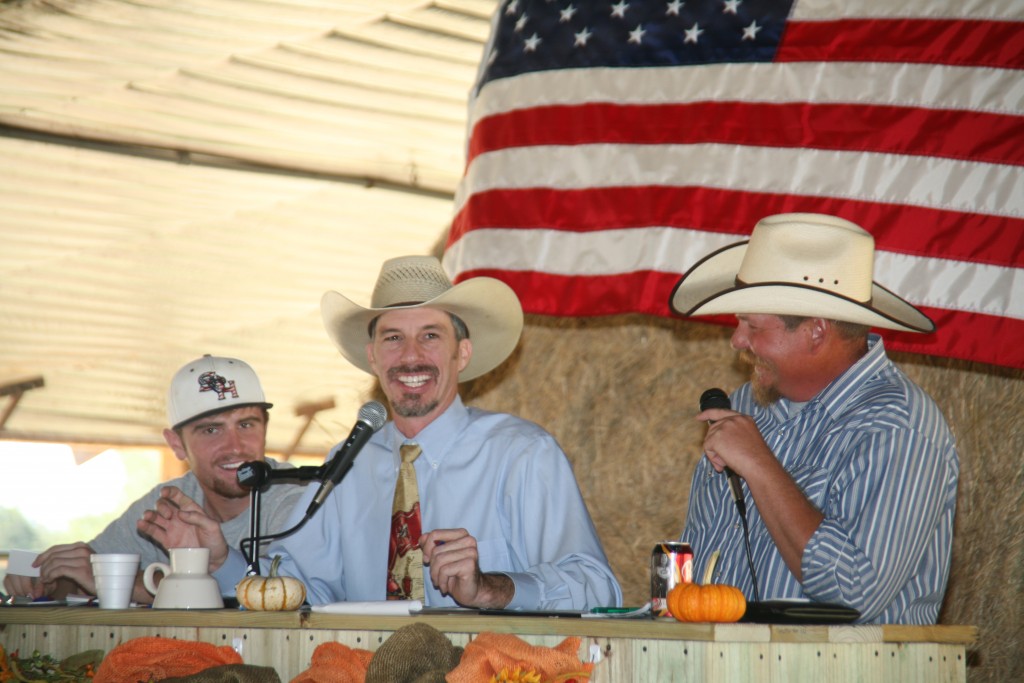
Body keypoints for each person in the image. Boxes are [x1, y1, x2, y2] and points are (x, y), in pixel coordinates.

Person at [211, 255, 622, 610]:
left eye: (430, 335)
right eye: (393, 338)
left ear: (461, 353)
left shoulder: (522, 454)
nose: (410, 356)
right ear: (373, 357)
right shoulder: (348, 463)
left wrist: (491, 588)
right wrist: (219, 560)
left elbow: (598, 587)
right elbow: (294, 588)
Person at [668, 212, 959, 625]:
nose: (737, 341)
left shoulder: (897, 428)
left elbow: (853, 596)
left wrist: (760, 465)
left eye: (752, 325)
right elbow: (700, 557)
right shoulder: (746, 405)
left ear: (816, 332)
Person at [3, 355, 306, 604]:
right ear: (176, 444)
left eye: (246, 424)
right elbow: (86, 574)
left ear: (265, 427)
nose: (235, 446)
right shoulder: (170, 500)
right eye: (211, 430)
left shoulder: (299, 499)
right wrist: (45, 577)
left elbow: (284, 598)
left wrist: (130, 585)